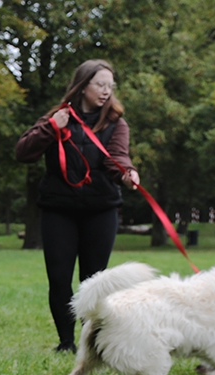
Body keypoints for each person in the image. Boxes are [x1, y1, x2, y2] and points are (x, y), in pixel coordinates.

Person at [15, 59, 140, 353]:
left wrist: (127, 173)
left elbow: (117, 157)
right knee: (59, 278)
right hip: (59, 210)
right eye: (100, 84)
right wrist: (50, 128)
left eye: (110, 86)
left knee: (93, 282)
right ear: (83, 86)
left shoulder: (116, 123)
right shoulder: (57, 117)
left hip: (101, 209)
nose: (106, 91)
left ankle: (90, 343)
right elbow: (23, 152)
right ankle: (66, 342)